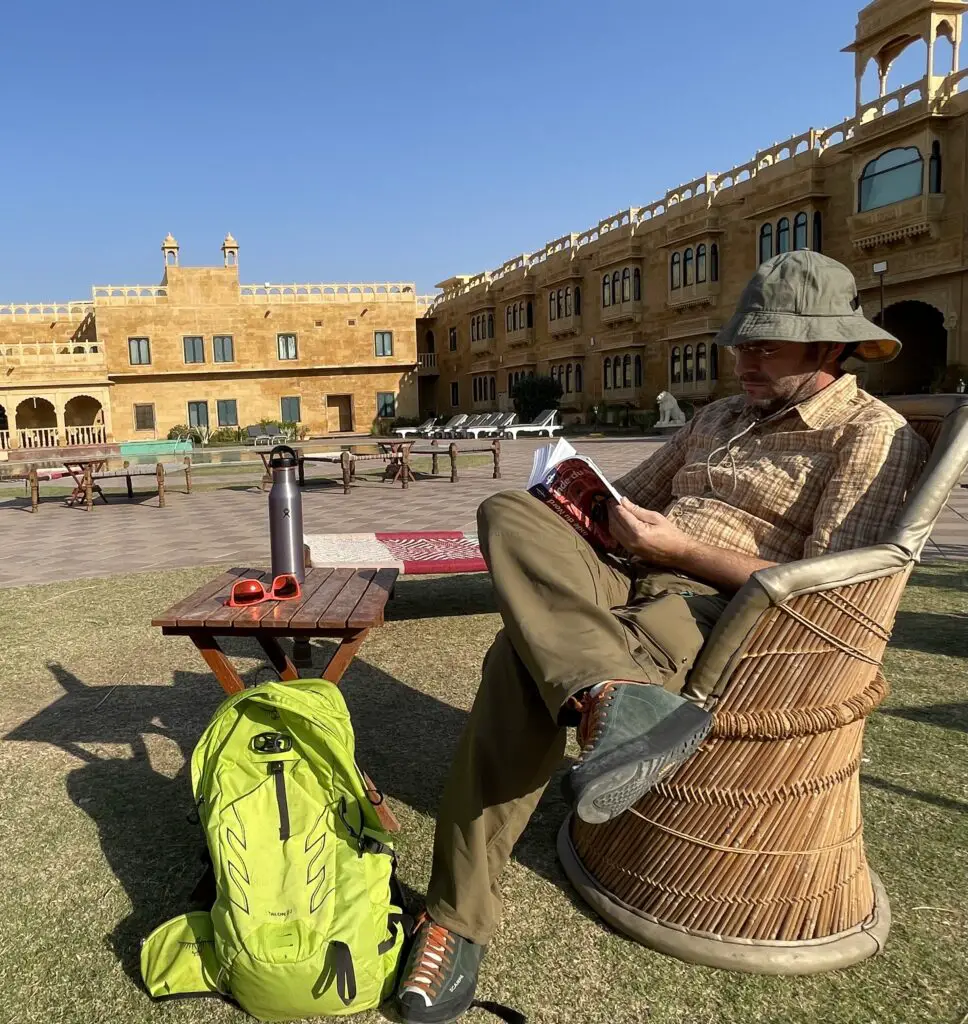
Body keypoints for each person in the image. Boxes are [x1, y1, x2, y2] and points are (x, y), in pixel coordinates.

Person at [394, 251, 928, 1024]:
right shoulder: (718, 418)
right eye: (741, 341)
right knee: (510, 512)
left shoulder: (868, 436)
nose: (742, 358)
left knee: (517, 659)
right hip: (632, 577)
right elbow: (632, 499)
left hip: (723, 612)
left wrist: (683, 552)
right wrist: (585, 504)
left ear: (828, 350)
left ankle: (454, 920)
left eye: (765, 345)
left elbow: (836, 598)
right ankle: (608, 692)